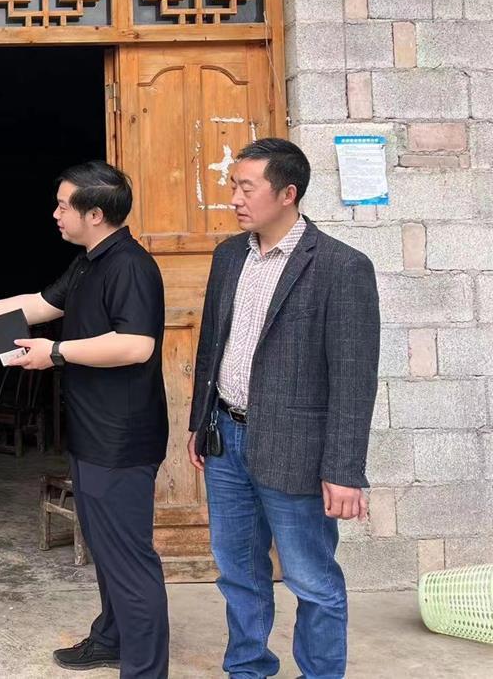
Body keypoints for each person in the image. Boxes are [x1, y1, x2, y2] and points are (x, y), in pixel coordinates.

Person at [0, 161, 169, 679]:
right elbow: (39, 304)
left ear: (95, 213)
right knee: (107, 551)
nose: (56, 213)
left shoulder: (131, 266)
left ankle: (145, 669)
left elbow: (136, 345)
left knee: (129, 559)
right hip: (92, 434)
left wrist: (57, 353)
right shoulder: (90, 262)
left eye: (64, 205)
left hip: (121, 439)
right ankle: (111, 638)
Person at [187, 138, 379, 679]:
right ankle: (247, 668)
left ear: (287, 193)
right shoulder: (230, 256)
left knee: (311, 580)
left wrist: (344, 471)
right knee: (237, 572)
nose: (235, 198)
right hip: (226, 441)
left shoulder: (341, 267)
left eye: (247, 188)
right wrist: (200, 420)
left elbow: (353, 379)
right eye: (234, 186)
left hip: (298, 450)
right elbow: (212, 345)